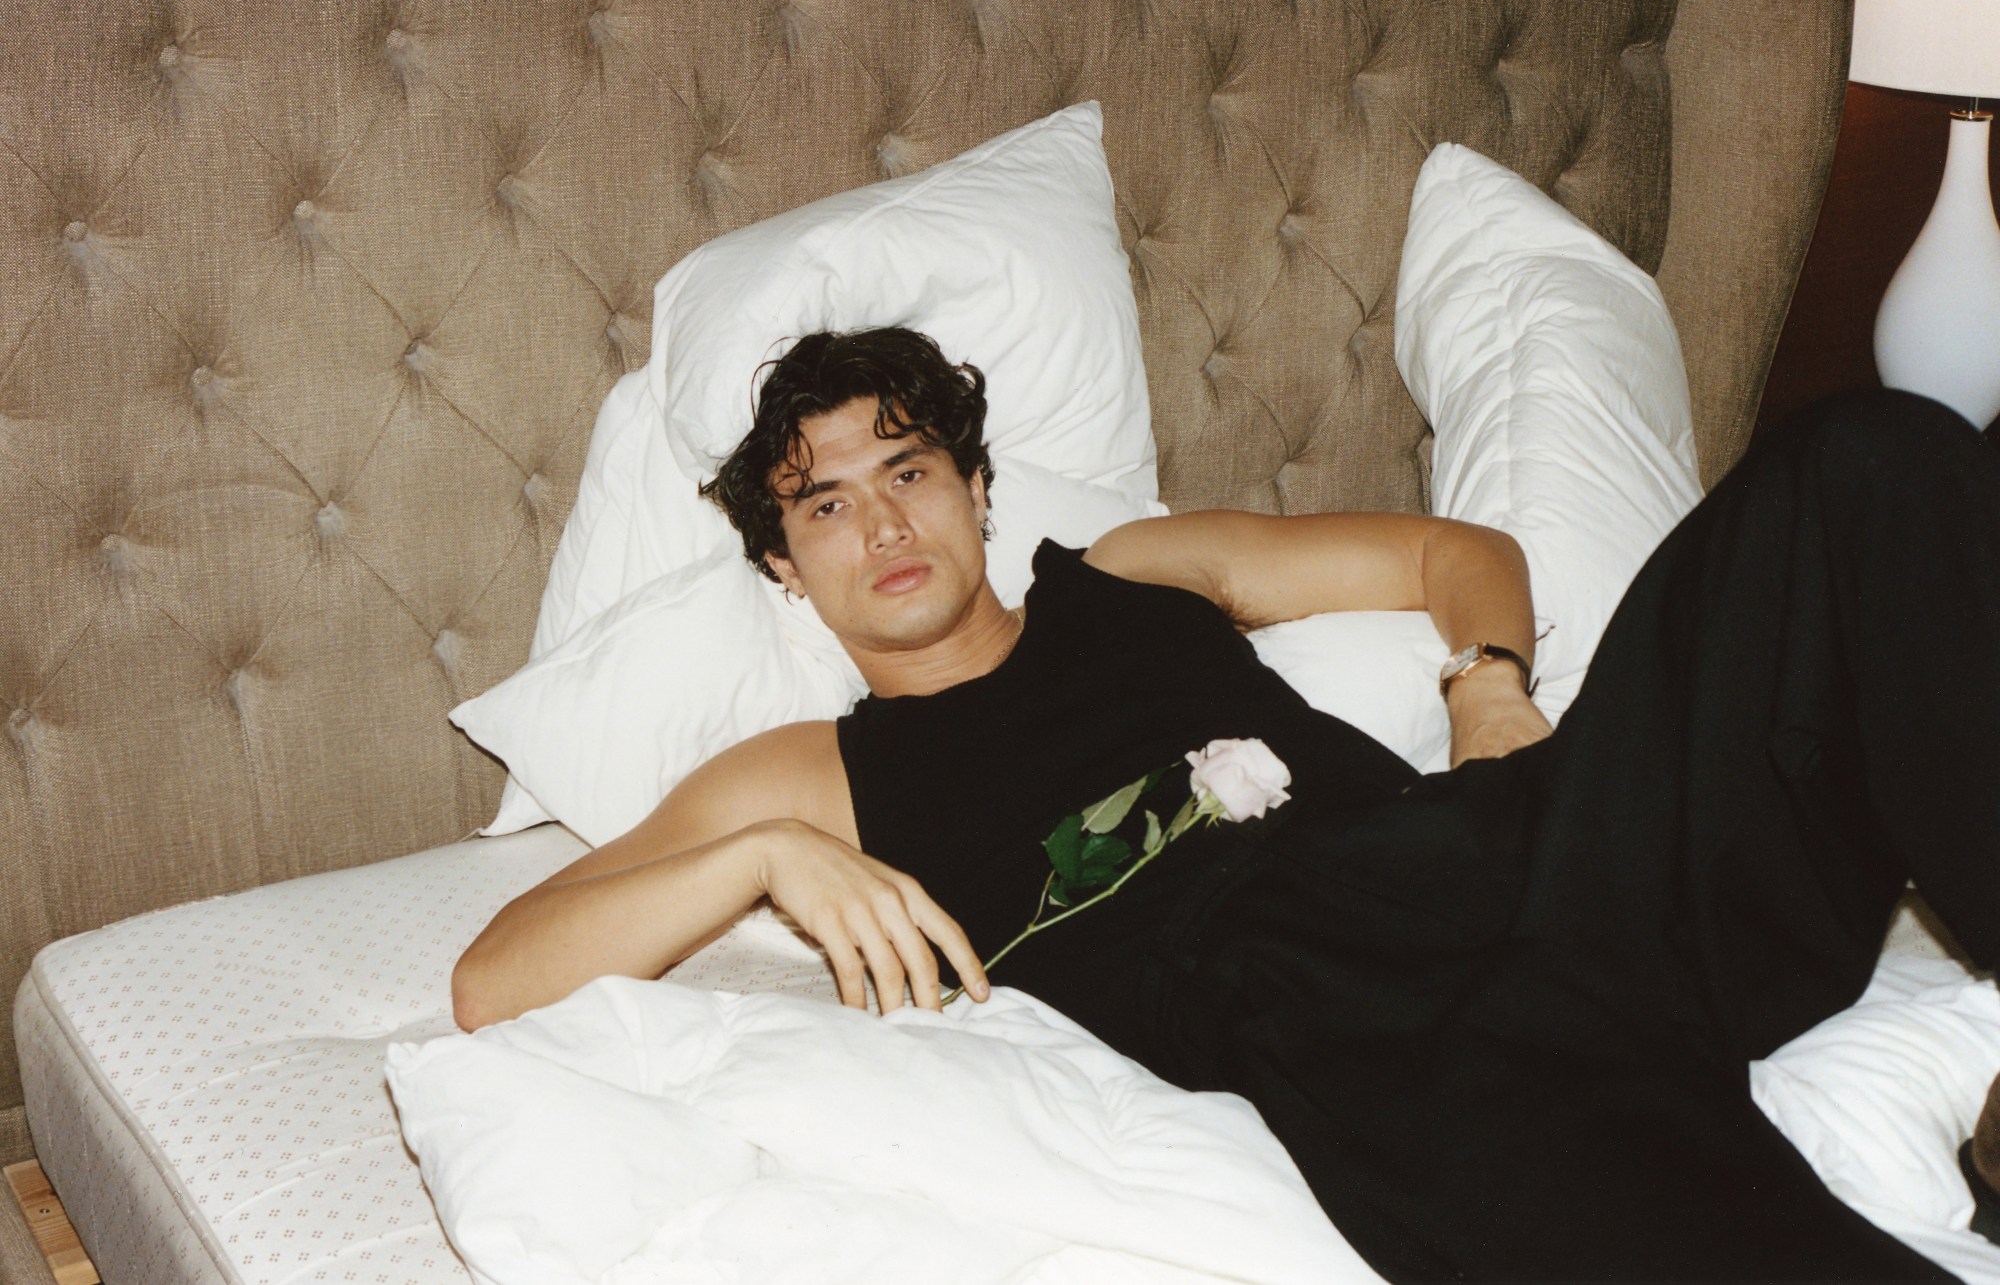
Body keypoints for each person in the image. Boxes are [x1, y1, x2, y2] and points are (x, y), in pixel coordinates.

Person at [454, 326, 2000, 1281]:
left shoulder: (1142, 571)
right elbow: (492, 975)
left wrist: (1488, 678)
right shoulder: (817, 773)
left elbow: (1449, 551)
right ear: (786, 569)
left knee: (1870, 453)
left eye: (909, 468)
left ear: (980, 491)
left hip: (1533, 856)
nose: (884, 520)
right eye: (826, 503)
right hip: (1362, 1014)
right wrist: (764, 857)